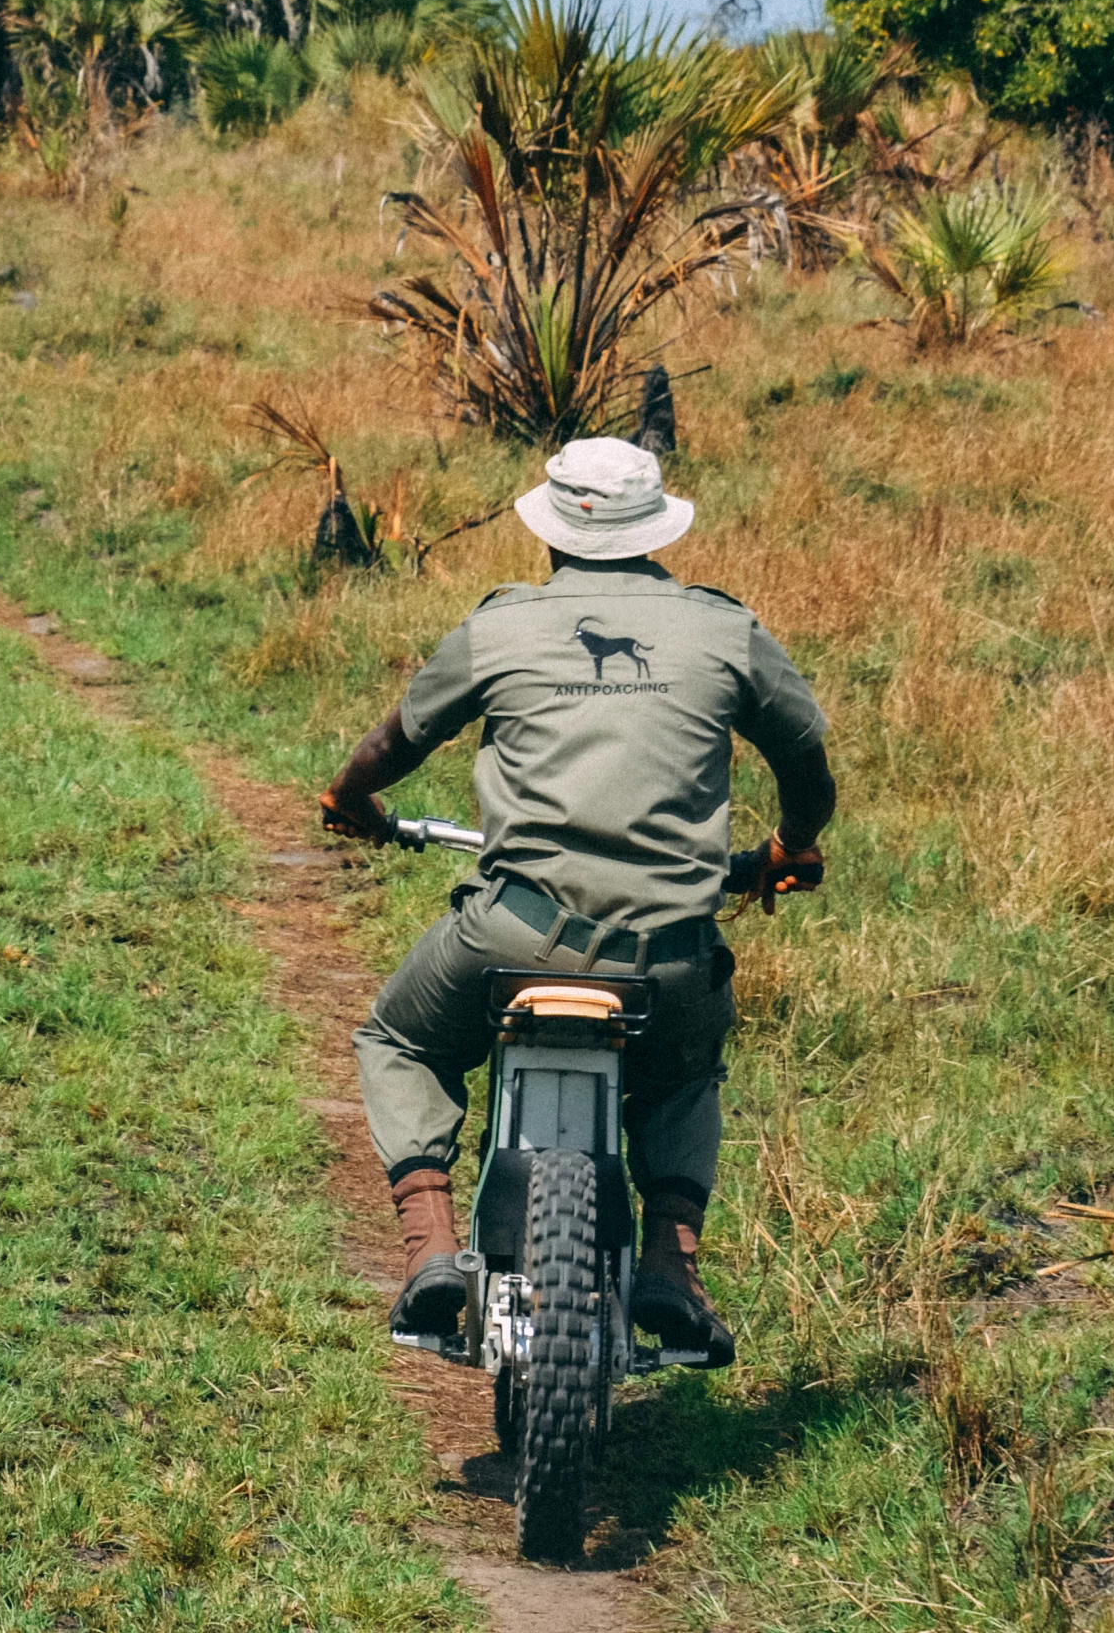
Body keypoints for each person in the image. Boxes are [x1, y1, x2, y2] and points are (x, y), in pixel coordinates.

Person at [318, 437, 833, 1367]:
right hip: (669, 957)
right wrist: (789, 847)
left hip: (515, 936)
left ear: (551, 533)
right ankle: (672, 1266)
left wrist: (349, 802)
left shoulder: (501, 627)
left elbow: (397, 741)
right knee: (683, 1072)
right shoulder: (723, 629)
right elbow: (806, 761)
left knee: (397, 1037)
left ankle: (431, 1244)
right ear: (654, 531)